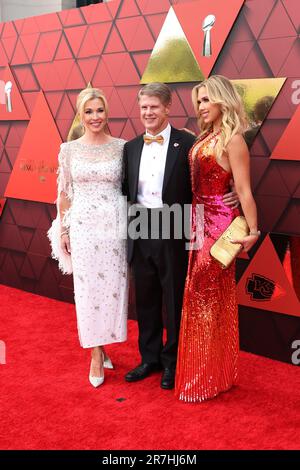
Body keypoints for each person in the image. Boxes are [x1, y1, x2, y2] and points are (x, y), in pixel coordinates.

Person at [122, 82, 239, 390]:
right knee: (145, 299)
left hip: (175, 225)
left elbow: (210, 176)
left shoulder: (188, 142)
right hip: (139, 224)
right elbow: (126, 191)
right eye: (144, 107)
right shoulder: (131, 147)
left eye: (154, 107)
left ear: (168, 107)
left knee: (174, 299)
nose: (148, 112)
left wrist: (233, 192)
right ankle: (149, 358)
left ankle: (172, 362)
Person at [175, 75, 260, 402]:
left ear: (223, 100)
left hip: (220, 231)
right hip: (199, 224)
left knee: (203, 298)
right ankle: (217, 374)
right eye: (199, 101)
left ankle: (203, 378)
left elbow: (243, 191)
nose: (201, 106)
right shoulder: (206, 136)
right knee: (211, 300)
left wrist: (253, 232)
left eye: (207, 99)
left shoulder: (233, 139)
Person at [48, 88, 128, 387]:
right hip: (82, 228)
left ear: (106, 113)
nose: (95, 117)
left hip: (113, 230)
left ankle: (103, 344)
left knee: (111, 290)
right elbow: (64, 194)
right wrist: (64, 229)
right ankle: (95, 353)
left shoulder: (122, 147)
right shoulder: (69, 149)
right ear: (81, 115)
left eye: (99, 111)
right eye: (89, 111)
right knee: (87, 292)